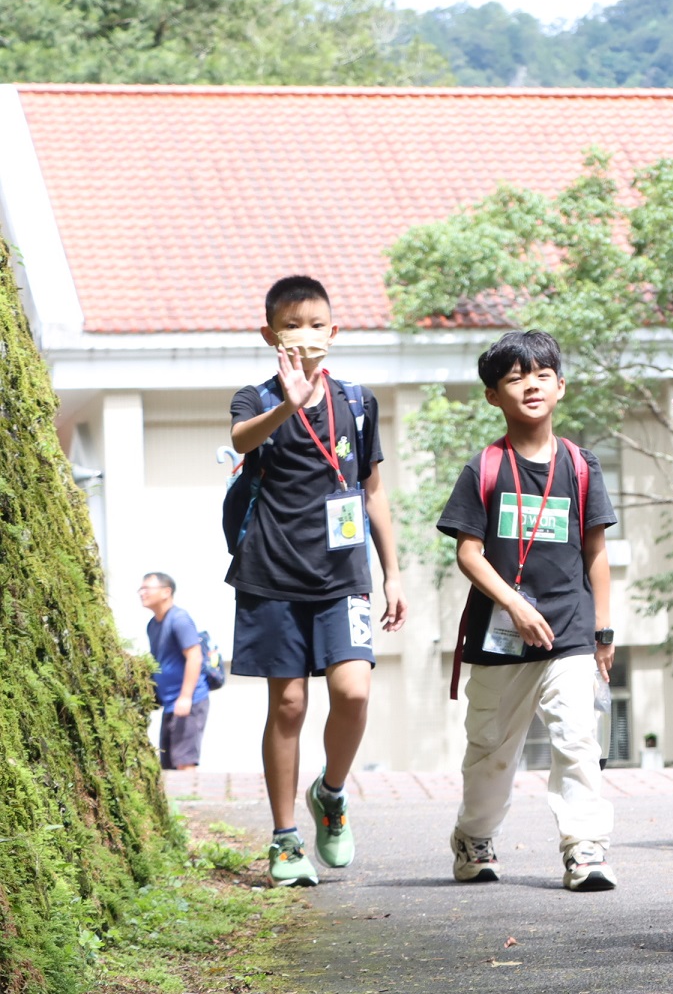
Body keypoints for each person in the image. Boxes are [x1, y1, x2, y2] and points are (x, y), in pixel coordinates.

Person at [226, 275, 406, 888]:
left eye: (316, 324)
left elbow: (372, 491)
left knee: (353, 691)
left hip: (343, 575)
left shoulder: (358, 401)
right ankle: (283, 839)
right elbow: (240, 440)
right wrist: (289, 405)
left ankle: (330, 792)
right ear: (270, 334)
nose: (305, 334)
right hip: (271, 574)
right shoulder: (254, 398)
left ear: (334, 331)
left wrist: (393, 573)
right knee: (290, 704)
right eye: (292, 325)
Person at [436, 330, 619, 892]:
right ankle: (474, 837)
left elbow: (596, 553)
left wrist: (603, 630)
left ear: (560, 386)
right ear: (494, 396)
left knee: (577, 737)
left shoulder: (581, 465)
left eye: (542, 375)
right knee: (491, 751)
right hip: (500, 637)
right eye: (516, 378)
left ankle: (584, 847)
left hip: (569, 631)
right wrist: (513, 604)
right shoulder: (484, 468)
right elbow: (468, 553)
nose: (531, 386)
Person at [140, 573, 210, 770]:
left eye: (147, 588)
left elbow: (194, 656)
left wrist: (186, 697)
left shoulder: (179, 620)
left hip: (189, 701)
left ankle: (191, 792)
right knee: (169, 764)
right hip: (171, 703)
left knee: (184, 762)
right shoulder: (153, 625)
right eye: (141, 589)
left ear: (166, 592)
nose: (142, 593)